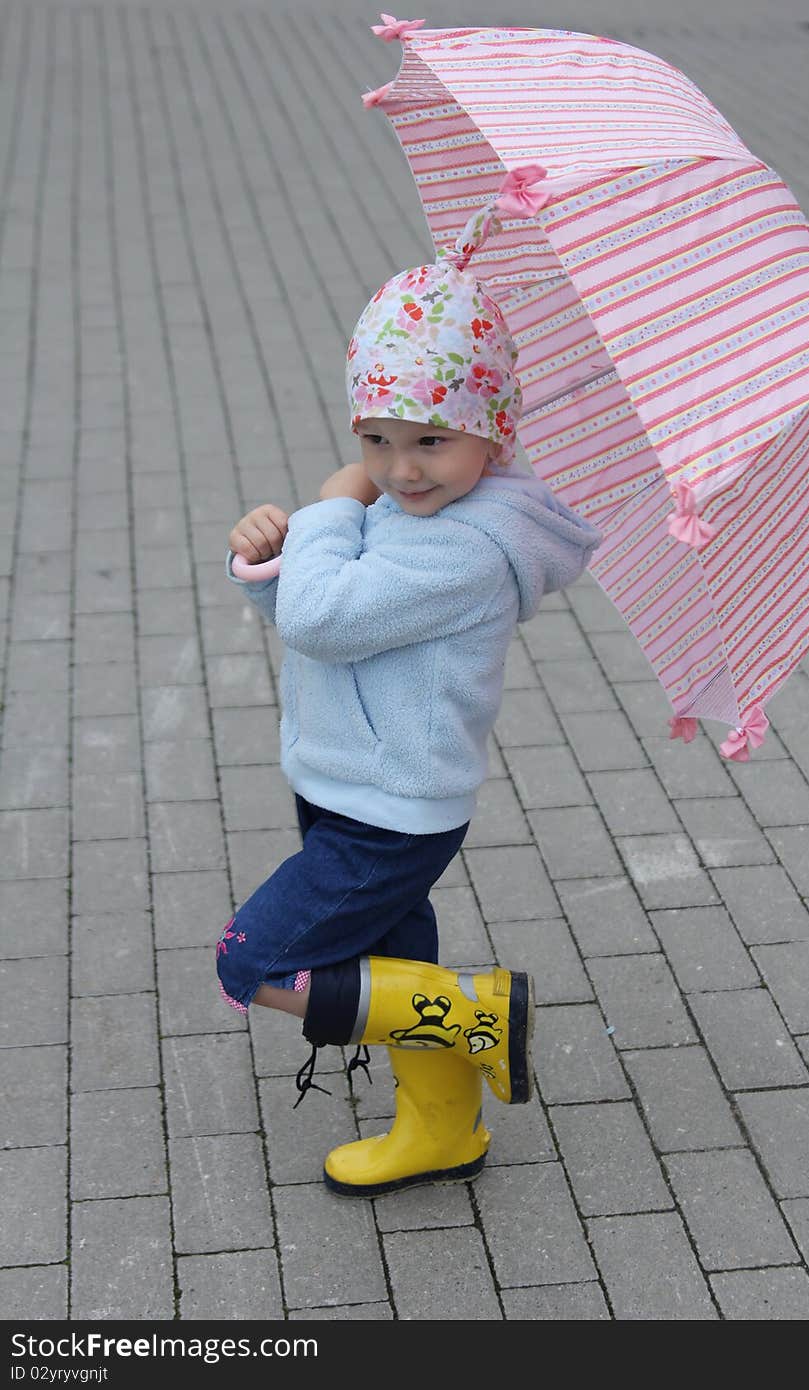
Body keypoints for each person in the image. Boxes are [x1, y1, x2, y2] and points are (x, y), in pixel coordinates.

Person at [217, 202, 602, 1198]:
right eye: (376, 438)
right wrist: (266, 558)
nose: (398, 468)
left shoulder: (467, 546)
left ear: (491, 432)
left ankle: (478, 1016)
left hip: (387, 811)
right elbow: (309, 618)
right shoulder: (406, 511)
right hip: (351, 783)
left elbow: (325, 617)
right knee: (395, 961)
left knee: (252, 962)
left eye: (431, 439)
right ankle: (442, 1125)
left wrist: (328, 506)